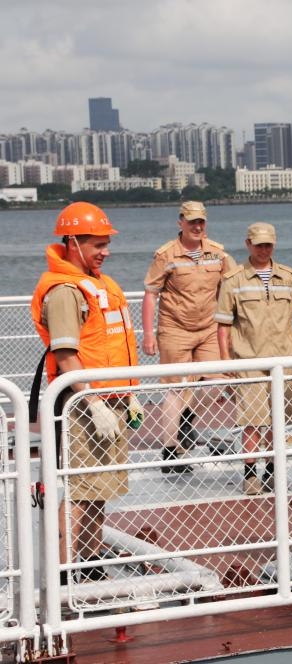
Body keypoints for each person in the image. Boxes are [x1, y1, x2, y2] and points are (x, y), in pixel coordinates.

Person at [30, 201, 144, 582]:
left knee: (98, 489)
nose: (105, 251)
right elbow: (66, 355)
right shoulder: (65, 291)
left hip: (108, 402)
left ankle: (90, 563)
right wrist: (93, 402)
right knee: (79, 490)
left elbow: (113, 344)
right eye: (98, 244)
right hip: (82, 406)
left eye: (106, 243)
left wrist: (128, 393)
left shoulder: (101, 286)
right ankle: (61, 573)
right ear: (74, 243)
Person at [215, 223, 292, 495]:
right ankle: (250, 474)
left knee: (278, 420)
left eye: (268, 245)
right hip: (249, 359)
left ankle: (272, 471)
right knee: (252, 420)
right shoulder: (233, 280)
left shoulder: (289, 277)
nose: (263, 250)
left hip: (283, 359)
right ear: (248, 244)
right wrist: (225, 360)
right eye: (258, 245)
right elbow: (223, 325)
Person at [141, 201, 237, 473]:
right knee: (175, 387)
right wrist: (149, 334)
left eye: (201, 222)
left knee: (217, 380)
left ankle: (187, 418)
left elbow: (232, 288)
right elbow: (151, 293)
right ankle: (171, 451)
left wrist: (232, 328)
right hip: (174, 329)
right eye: (191, 221)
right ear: (180, 222)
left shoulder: (217, 254)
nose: (197, 227)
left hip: (208, 328)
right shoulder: (166, 255)